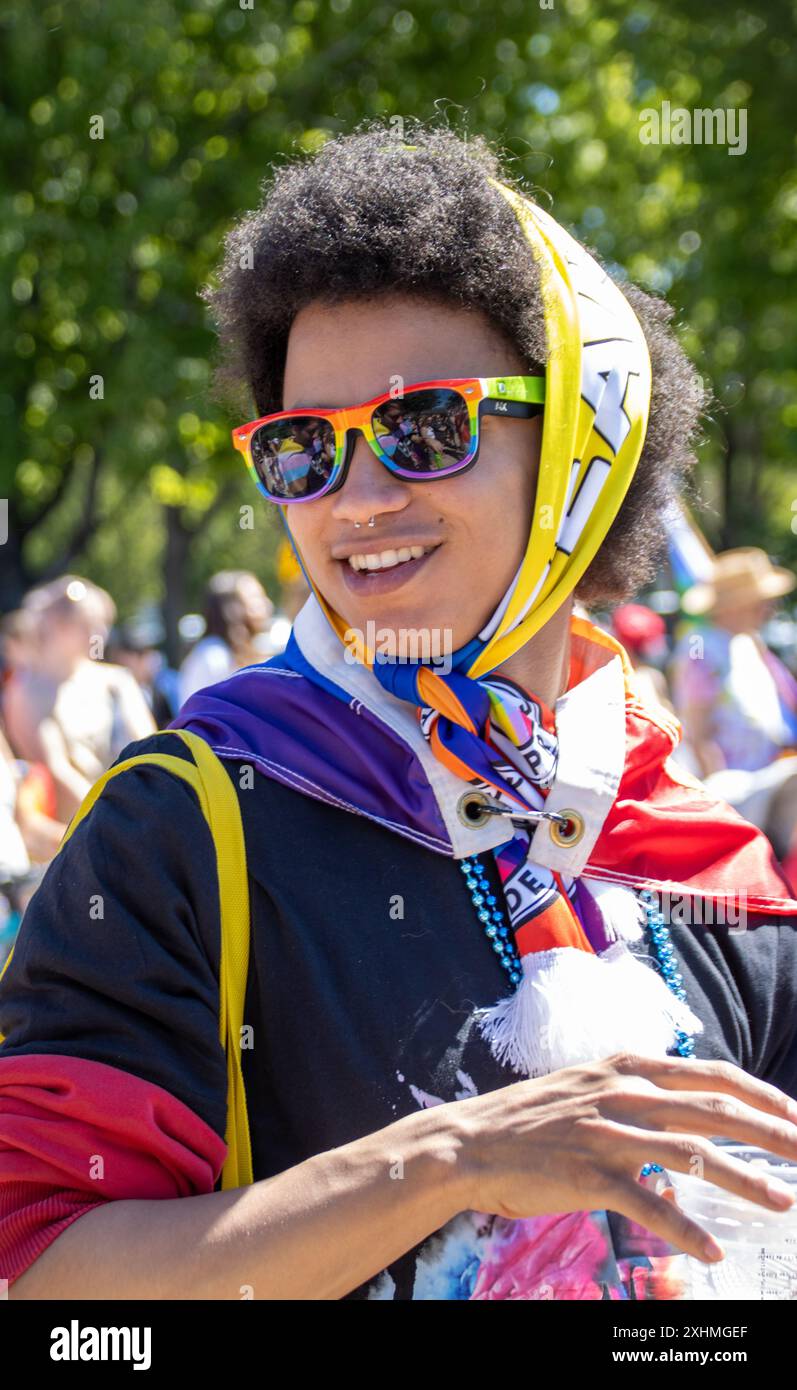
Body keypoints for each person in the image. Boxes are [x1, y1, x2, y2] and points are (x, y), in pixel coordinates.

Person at [3, 125, 797, 1303]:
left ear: (582, 439)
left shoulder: (690, 847)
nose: (358, 499)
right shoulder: (186, 824)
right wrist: (445, 1159)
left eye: (427, 428)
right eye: (302, 448)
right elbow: (51, 1288)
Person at [2, 576, 156, 820]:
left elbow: (148, 749)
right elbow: (56, 771)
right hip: (73, 832)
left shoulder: (116, 681)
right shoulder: (28, 690)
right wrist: (114, 820)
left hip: (130, 816)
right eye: (86, 623)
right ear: (55, 624)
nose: (99, 633)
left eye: (102, 622)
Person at [672, 547, 797, 778]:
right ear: (736, 604)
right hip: (736, 789)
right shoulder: (698, 643)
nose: (769, 609)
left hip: (766, 778)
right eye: (761, 601)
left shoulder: (748, 640)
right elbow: (697, 726)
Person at [178, 571, 275, 706]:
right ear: (233, 608)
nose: (267, 604)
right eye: (256, 598)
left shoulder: (232, 655)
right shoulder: (213, 659)